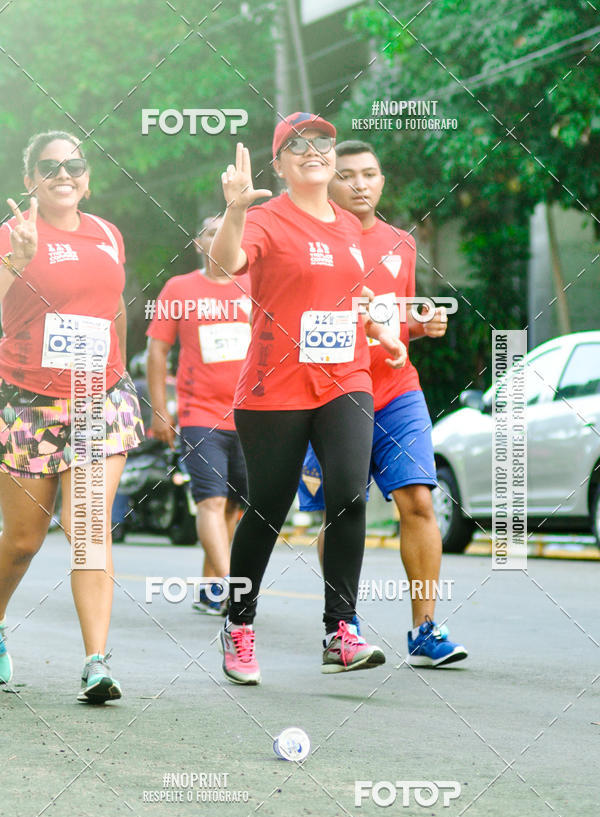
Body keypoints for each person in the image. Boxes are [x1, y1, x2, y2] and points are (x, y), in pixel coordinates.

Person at [210, 113, 407, 685]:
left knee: (348, 495)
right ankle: (239, 624)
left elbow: (356, 296)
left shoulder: (350, 227)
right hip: (276, 384)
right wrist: (235, 208)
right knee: (269, 508)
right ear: (280, 164)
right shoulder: (265, 219)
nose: (312, 151)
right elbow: (224, 266)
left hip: (346, 377)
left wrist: (383, 330)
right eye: (296, 146)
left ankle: (340, 631)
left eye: (320, 142)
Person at [299, 139, 467, 667]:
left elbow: (397, 321)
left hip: (396, 388)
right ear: (329, 183)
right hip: (331, 392)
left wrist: (423, 324)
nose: (359, 185)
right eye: (346, 176)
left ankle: (424, 627)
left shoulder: (400, 243)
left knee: (418, 499)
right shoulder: (310, 242)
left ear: (382, 181)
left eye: (369, 174)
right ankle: (341, 627)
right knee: (340, 509)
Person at [0, 131, 144, 701]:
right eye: (50, 166)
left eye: (75, 164)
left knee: (89, 532)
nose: (65, 173)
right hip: (29, 406)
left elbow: (115, 310)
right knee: (23, 542)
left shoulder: (108, 233)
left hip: (98, 401)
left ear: (88, 176)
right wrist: (17, 259)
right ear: (29, 177)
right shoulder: (12, 234)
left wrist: (124, 374)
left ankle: (96, 662)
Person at [147, 215, 251, 614]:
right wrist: (160, 411)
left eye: (228, 229)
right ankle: (233, 587)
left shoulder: (255, 286)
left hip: (250, 414)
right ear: (198, 243)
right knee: (210, 500)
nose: (221, 236)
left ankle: (211, 587)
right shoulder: (180, 288)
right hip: (199, 413)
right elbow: (158, 351)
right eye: (211, 230)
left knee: (234, 506)